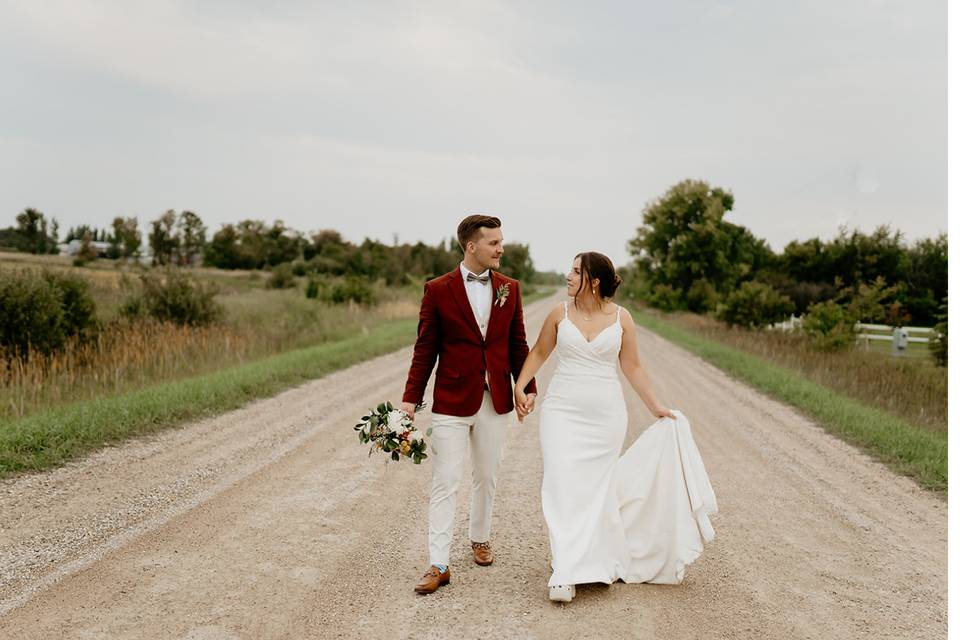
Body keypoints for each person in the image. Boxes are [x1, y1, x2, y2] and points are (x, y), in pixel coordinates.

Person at [513, 251, 717, 602]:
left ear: (593, 281)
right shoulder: (558, 314)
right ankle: (564, 569)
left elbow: (632, 366)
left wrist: (656, 406)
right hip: (561, 412)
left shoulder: (623, 319)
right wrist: (521, 384)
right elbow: (538, 353)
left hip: (605, 417)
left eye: (576, 272)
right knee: (562, 484)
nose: (568, 276)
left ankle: (590, 557)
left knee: (595, 489)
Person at [401, 214, 537, 595]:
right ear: (471, 246)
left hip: (494, 399)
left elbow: (518, 344)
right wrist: (411, 399)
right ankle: (438, 563)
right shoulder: (438, 289)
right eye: (494, 243)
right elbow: (425, 348)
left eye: (501, 241)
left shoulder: (510, 288)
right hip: (451, 400)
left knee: (487, 474)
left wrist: (525, 387)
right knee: (446, 480)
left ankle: (480, 537)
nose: (501, 248)